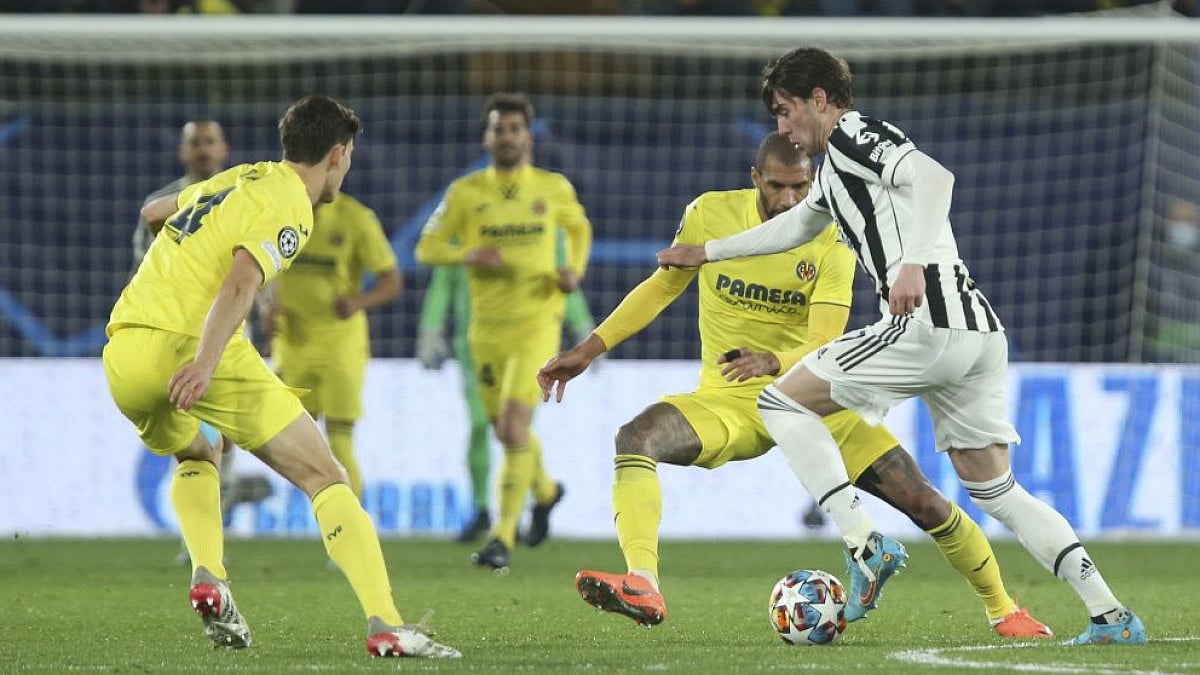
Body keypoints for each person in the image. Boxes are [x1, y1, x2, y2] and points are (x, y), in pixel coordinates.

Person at [656, 47, 1146, 645]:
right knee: (998, 490)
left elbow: (936, 176)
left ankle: (864, 543)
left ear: (819, 100)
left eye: (786, 112)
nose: (781, 128)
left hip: (928, 321)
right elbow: (796, 226)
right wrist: (706, 252)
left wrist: (910, 264)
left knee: (781, 404)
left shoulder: (855, 133)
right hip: (977, 334)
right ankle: (1111, 615)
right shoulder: (833, 172)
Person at [537, 132, 1051, 638]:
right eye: (777, 187)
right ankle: (643, 583)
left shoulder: (832, 236)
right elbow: (660, 288)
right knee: (635, 438)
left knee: (925, 503)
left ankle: (1004, 609)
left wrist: (773, 359)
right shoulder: (709, 214)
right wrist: (586, 350)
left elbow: (826, 339)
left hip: (815, 396)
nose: (788, 200)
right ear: (755, 178)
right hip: (729, 401)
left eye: (800, 188)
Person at [103, 94, 459, 658]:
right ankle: (387, 623)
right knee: (326, 476)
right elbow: (243, 281)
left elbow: (153, 214)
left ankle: (209, 576)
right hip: (190, 346)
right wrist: (204, 362)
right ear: (338, 155)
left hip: (123, 351)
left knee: (197, 453)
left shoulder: (239, 177)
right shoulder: (292, 202)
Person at [415, 92, 592, 571]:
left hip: (538, 323)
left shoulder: (552, 188)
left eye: (515, 128)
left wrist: (572, 269)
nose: (507, 136)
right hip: (484, 333)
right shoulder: (466, 193)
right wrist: (466, 253)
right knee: (501, 429)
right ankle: (547, 492)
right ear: (487, 137)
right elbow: (426, 248)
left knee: (513, 427)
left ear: (527, 137)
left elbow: (580, 230)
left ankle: (502, 538)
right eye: (499, 128)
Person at [134, 119, 270, 561]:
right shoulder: (163, 206)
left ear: (224, 149)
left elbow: (256, 266)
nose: (203, 150)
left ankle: (214, 527)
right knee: (192, 437)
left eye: (209, 141)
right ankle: (201, 533)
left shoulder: (241, 202)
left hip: (230, 331)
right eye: (195, 142)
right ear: (183, 152)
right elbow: (144, 269)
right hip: (178, 331)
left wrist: (268, 307)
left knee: (225, 438)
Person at [417, 233, 597, 544]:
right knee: (485, 425)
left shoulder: (536, 226)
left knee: (515, 426)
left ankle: (505, 530)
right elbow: (443, 279)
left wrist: (581, 324)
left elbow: (561, 275)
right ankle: (530, 495)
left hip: (528, 339)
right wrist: (430, 327)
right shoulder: (470, 223)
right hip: (474, 344)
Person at [261, 191, 402, 500]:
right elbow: (262, 266)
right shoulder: (278, 210)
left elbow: (391, 280)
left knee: (340, 441)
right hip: (293, 344)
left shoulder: (356, 218)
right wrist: (267, 308)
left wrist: (359, 301)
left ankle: (354, 528)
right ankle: (329, 514)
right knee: (291, 442)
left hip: (340, 345)